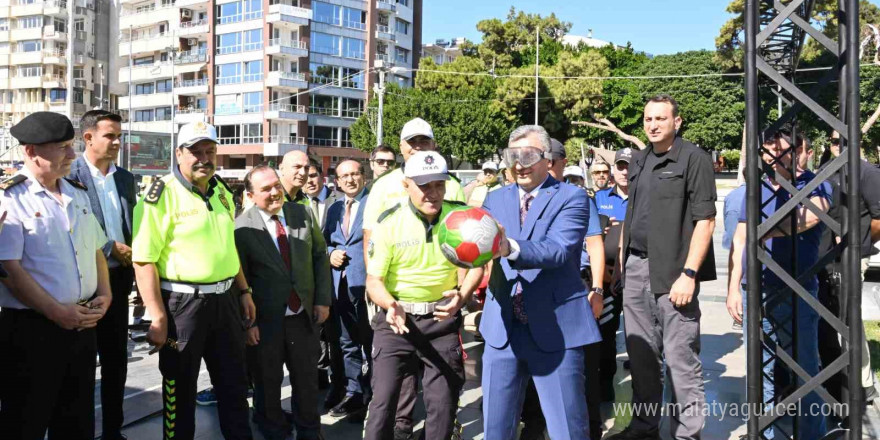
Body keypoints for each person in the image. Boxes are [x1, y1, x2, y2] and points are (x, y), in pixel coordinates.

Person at [131, 121, 256, 440]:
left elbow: (228, 247)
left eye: (210, 151)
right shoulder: (159, 195)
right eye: (195, 151)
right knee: (179, 387)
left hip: (226, 300)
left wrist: (244, 290)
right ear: (179, 153)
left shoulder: (223, 192)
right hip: (181, 307)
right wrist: (157, 315)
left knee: (234, 385)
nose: (204, 157)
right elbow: (143, 259)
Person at [481, 124, 605, 440]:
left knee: (567, 430)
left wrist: (509, 247)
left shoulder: (573, 198)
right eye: (513, 155)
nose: (520, 163)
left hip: (556, 330)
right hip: (502, 332)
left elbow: (558, 250)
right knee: (496, 431)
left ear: (547, 158)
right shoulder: (493, 200)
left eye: (529, 155)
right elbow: (478, 248)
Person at [609, 95, 717, 440]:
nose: (653, 125)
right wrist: (621, 270)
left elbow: (706, 221)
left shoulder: (694, 159)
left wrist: (688, 275)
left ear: (677, 122)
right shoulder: (638, 161)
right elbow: (631, 215)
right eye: (647, 119)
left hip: (674, 273)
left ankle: (687, 434)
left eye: (660, 119)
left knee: (681, 361)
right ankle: (644, 429)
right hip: (636, 269)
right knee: (641, 357)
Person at [0, 111, 112, 439]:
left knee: (76, 420)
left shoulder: (76, 192)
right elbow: (9, 270)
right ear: (31, 151)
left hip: (81, 325)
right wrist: (55, 311)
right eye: (61, 147)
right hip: (33, 330)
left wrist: (105, 294)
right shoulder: (10, 197)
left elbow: (95, 250)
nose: (71, 154)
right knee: (26, 420)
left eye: (71, 145)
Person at [364, 151, 484, 440]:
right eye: (424, 186)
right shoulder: (389, 222)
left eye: (439, 185)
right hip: (395, 322)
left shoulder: (460, 218)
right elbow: (373, 281)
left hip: (441, 320)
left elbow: (478, 266)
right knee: (383, 404)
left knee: (442, 406)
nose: (433, 193)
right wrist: (390, 305)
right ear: (406, 185)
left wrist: (462, 295)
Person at [726, 129, 831, 440]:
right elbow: (741, 239)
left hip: (798, 289)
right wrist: (734, 286)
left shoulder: (816, 183)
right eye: (767, 149)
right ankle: (765, 434)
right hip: (756, 289)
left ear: (801, 151)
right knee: (760, 372)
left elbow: (808, 217)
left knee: (805, 369)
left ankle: (812, 434)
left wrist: (765, 231)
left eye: (781, 148)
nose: (772, 154)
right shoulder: (755, 189)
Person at [235, 165, 332, 440]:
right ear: (251, 195)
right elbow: (240, 280)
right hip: (266, 322)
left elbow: (319, 256)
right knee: (267, 383)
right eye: (266, 189)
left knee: (306, 381)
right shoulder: (241, 228)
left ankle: (309, 432)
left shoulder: (301, 213)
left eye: (276, 185)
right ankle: (273, 430)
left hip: (304, 316)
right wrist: (248, 324)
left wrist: (323, 300)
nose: (275, 192)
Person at [68, 110, 137, 440]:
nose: (117, 142)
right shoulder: (70, 175)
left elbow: (132, 225)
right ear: (89, 137)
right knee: (80, 367)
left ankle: (113, 430)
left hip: (119, 281)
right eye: (110, 135)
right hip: (84, 283)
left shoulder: (125, 178)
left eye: (119, 135)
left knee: (116, 361)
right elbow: (75, 226)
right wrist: (110, 247)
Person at [816, 130, 880, 404]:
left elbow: (878, 219)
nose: (837, 146)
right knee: (830, 320)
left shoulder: (867, 173)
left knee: (848, 320)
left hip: (852, 257)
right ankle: (836, 381)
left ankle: (862, 385)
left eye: (843, 141)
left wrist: (859, 243)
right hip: (824, 258)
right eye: (833, 141)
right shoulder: (825, 171)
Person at [324, 159, 373, 418]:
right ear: (338, 181)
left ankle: (374, 394)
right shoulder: (333, 209)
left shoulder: (375, 204)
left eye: (355, 174)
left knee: (372, 342)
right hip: (339, 286)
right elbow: (323, 243)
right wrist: (330, 253)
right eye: (345, 176)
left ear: (363, 176)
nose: (350, 179)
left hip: (367, 286)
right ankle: (354, 393)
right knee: (347, 343)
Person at [591, 147, 632, 402]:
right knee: (607, 330)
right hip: (607, 278)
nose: (624, 172)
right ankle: (605, 383)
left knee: (643, 332)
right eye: (620, 166)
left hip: (639, 276)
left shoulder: (645, 198)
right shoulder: (598, 198)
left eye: (628, 166)